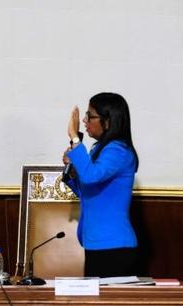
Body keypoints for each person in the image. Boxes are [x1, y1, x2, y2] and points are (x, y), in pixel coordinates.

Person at [62, 92, 139, 277]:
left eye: (90, 116)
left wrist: (74, 138)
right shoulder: (99, 148)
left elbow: (90, 176)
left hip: (114, 246)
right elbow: (89, 191)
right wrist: (72, 171)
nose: (84, 120)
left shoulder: (118, 150)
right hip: (95, 242)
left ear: (108, 121)